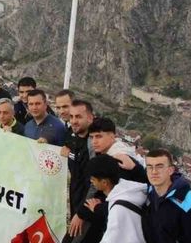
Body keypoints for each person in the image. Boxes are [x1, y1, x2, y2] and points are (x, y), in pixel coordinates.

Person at [143, 149, 191, 243]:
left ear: (170, 170)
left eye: (159, 167)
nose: (154, 172)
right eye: (150, 167)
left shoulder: (186, 203)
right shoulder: (150, 192)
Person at [88, 155, 147, 243]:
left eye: (93, 179)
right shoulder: (130, 191)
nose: (91, 181)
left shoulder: (118, 210)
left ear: (104, 182)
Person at [62, 100, 95, 230]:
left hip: (85, 212)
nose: (74, 121)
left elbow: (94, 184)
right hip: (71, 205)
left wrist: (81, 213)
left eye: (79, 117)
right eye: (72, 116)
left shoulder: (93, 143)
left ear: (90, 118)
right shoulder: (71, 134)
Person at [87, 118, 146, 184]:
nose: (94, 142)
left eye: (99, 136)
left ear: (112, 136)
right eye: (92, 137)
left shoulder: (119, 159)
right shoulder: (105, 153)